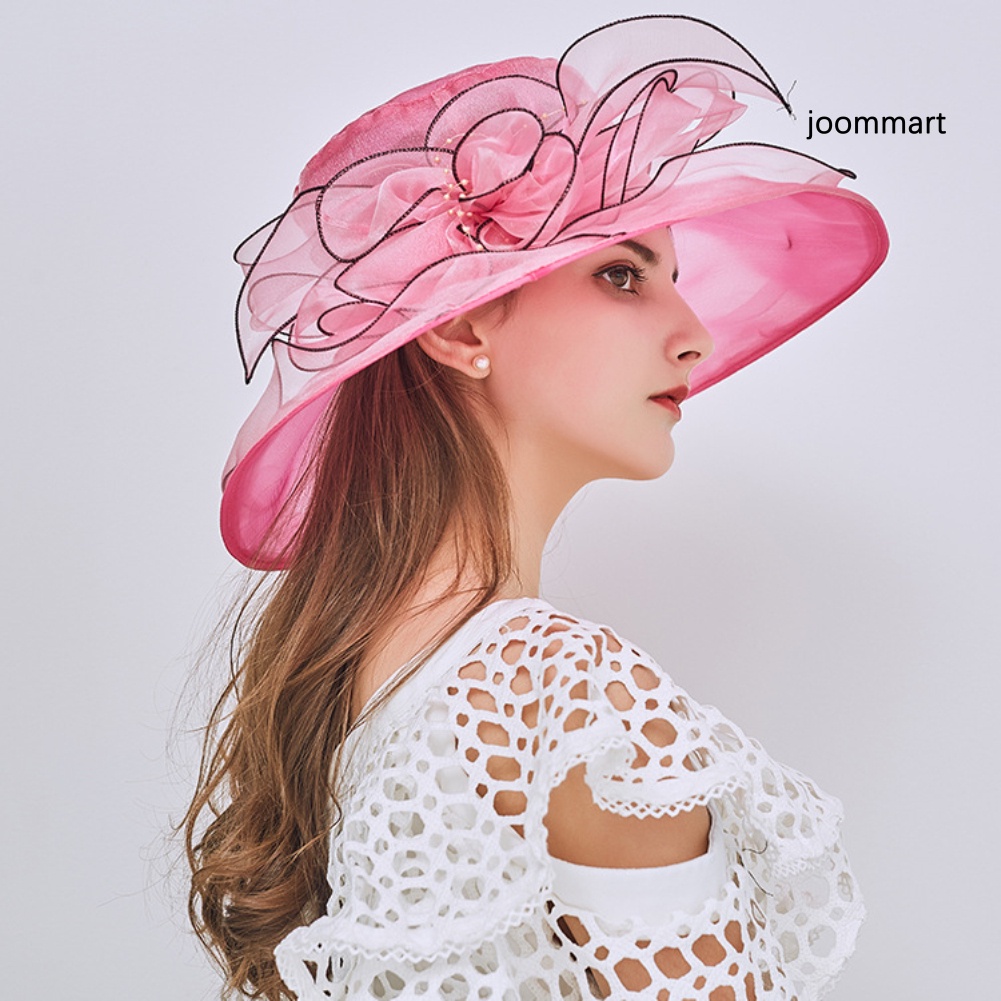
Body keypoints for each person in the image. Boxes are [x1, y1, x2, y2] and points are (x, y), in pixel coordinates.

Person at [183, 14, 888, 1001]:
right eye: (621, 274)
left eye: (672, 280)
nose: (693, 334)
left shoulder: (357, 674)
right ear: (463, 325)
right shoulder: (564, 697)